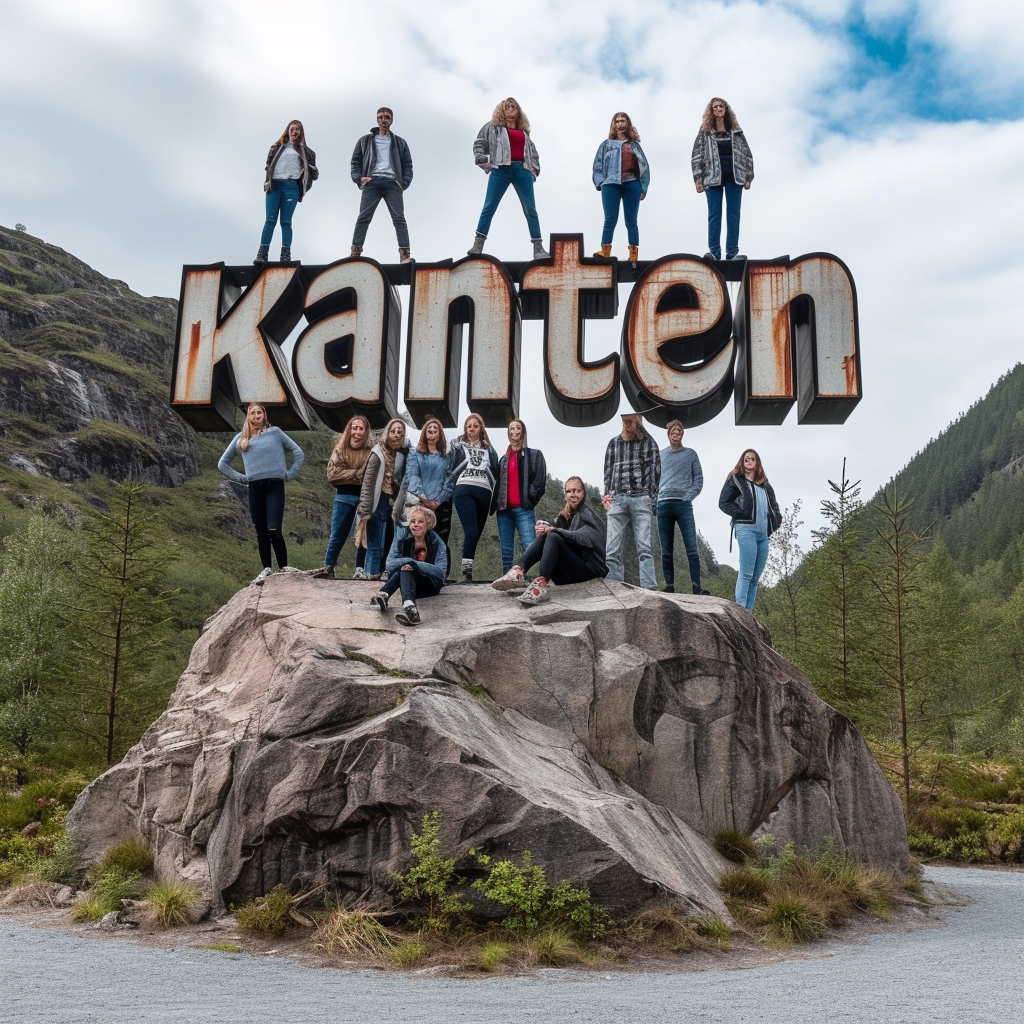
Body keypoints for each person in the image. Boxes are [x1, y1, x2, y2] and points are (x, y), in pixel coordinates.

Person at [217, 403, 305, 585]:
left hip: (275, 486)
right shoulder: (241, 439)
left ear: (264, 415)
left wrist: (290, 474)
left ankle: (284, 569)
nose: (256, 415)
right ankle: (266, 568)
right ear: (248, 416)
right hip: (255, 488)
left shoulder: (275, 433)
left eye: (259, 412)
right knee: (261, 531)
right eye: (252, 413)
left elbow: (298, 452)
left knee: (273, 528)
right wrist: (243, 478)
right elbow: (222, 463)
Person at [492, 477, 607, 605]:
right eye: (569, 491)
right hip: (568, 574)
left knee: (552, 535)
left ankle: (541, 585)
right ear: (565, 494)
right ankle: (519, 571)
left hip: (588, 573)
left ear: (583, 493)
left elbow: (584, 538)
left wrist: (554, 530)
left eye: (577, 491)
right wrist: (544, 527)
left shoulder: (588, 514)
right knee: (548, 535)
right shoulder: (566, 515)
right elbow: (556, 531)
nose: (573, 495)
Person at [469, 98, 549, 260]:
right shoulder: (492, 127)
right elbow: (479, 144)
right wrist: (484, 161)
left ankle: (538, 248)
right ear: (502, 110)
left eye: (514, 106)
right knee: (489, 206)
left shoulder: (524, 132)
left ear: (518, 111)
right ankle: (478, 245)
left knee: (530, 210)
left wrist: (533, 171)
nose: (511, 109)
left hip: (522, 171)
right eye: (507, 106)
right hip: (501, 169)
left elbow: (533, 153)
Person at [691, 97, 753, 261]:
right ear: (711, 111)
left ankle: (732, 252)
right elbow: (697, 155)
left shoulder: (736, 131)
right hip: (712, 178)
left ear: (726, 109)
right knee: (714, 214)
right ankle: (714, 252)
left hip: (735, 177)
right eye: (715, 107)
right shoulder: (705, 132)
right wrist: (698, 179)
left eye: (721, 106)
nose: (718, 109)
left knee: (733, 214)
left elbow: (746, 154)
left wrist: (748, 177)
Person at [602, 413, 660, 590]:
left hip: (640, 497)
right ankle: (614, 587)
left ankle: (649, 588)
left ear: (638, 422)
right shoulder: (613, 443)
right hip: (617, 498)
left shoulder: (649, 443)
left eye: (630, 421)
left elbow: (655, 471)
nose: (626, 424)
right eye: (624, 421)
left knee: (644, 548)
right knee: (611, 550)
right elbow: (607, 470)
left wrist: (652, 497)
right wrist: (607, 495)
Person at [719, 449, 781, 611]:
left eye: (752, 458)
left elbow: (774, 506)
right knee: (746, 574)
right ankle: (740, 611)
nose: (749, 461)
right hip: (745, 529)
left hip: (763, 534)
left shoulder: (765, 484)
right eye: (746, 458)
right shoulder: (736, 480)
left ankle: (748, 613)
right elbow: (723, 502)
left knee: (755, 578)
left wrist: (776, 522)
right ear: (742, 461)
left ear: (757, 462)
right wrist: (740, 513)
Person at [310, 416, 372, 579]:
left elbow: (369, 476)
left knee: (363, 534)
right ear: (349, 430)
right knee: (337, 534)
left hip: (364, 497)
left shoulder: (370, 451)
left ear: (366, 431)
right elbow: (333, 475)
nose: (356, 432)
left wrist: (348, 473)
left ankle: (360, 568)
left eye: (360, 428)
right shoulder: (340, 449)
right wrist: (357, 473)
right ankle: (329, 566)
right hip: (343, 496)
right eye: (354, 428)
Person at [350, 107, 414, 264]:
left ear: (391, 120)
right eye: (380, 117)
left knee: (399, 218)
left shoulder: (399, 142)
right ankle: (355, 252)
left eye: (386, 117)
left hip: (393, 183)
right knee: (363, 217)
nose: (383, 119)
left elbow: (408, 164)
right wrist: (359, 178)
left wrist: (403, 182)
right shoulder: (365, 141)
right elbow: (355, 161)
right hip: (372, 182)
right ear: (377, 120)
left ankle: (404, 254)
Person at [254, 120, 318, 266]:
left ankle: (285, 256)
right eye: (292, 129)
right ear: (287, 130)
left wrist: (305, 183)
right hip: (275, 185)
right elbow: (268, 166)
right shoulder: (276, 147)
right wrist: (267, 181)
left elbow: (313, 173)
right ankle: (262, 254)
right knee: (270, 220)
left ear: (301, 132)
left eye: (298, 129)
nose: (294, 132)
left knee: (286, 222)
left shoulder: (306, 152)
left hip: (291, 187)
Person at [372, 506, 447, 626]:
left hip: (427, 585)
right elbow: (389, 564)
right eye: (412, 521)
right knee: (406, 569)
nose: (415, 525)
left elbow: (440, 573)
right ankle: (410, 607)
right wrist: (409, 562)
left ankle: (385, 593)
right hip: (405, 581)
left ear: (429, 523)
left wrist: (415, 565)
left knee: (407, 567)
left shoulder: (437, 543)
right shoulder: (402, 539)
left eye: (420, 522)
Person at [592, 112, 650, 264]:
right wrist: (600, 182)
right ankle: (605, 250)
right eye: (617, 121)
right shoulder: (606, 145)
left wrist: (643, 187)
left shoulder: (634, 145)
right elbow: (597, 165)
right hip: (610, 184)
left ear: (628, 124)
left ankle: (633, 254)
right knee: (610, 218)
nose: (619, 124)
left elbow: (644, 166)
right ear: (613, 125)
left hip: (631, 183)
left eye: (622, 121)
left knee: (631, 220)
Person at [447, 413, 499, 583]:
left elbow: (497, 473)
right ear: (465, 428)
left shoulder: (489, 450)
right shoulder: (457, 446)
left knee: (476, 533)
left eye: (475, 426)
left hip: (484, 491)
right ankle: (466, 572)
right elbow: (449, 467)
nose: (472, 429)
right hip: (464, 489)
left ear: (481, 429)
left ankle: (469, 568)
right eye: (469, 426)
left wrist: (496, 499)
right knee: (471, 531)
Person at [657, 420, 707, 595]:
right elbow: (653, 479)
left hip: (683, 505)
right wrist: (657, 499)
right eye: (673, 432)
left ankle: (697, 587)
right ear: (669, 434)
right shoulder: (661, 455)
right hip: (663, 504)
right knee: (666, 549)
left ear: (682, 434)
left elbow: (698, 480)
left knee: (692, 547)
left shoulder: (690, 454)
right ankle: (669, 586)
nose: (675, 435)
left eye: (678, 432)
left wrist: (688, 497)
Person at [491, 420, 547, 574]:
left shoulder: (534, 455)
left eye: (518, 428)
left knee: (531, 546)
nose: (514, 431)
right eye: (512, 428)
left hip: (524, 509)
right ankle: (507, 581)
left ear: (523, 432)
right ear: (508, 433)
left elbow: (540, 482)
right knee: (506, 552)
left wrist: (529, 499)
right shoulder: (503, 460)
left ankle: (535, 579)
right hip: (504, 511)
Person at [356, 418, 410, 579]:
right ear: (387, 432)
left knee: (379, 544)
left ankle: (373, 575)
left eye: (400, 432)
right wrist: (365, 509)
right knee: (374, 545)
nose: (396, 434)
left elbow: (393, 481)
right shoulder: (378, 453)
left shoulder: (395, 454)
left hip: (386, 500)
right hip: (375, 502)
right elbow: (368, 482)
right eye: (393, 431)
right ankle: (371, 575)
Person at [403, 416, 455, 577]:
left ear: (440, 435)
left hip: (442, 503)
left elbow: (450, 479)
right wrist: (424, 498)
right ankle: (416, 570)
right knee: (418, 537)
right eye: (429, 431)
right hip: (420, 503)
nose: (432, 434)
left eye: (435, 431)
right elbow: (413, 476)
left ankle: (441, 573)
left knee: (441, 538)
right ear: (424, 434)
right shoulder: (415, 454)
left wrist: (438, 500)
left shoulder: (446, 456)